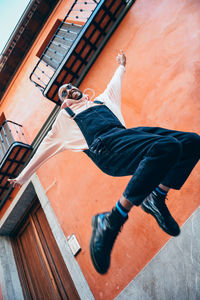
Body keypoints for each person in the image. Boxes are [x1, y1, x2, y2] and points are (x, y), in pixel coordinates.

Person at [8, 51, 200, 275]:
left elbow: (115, 81)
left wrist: (121, 65)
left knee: (191, 142)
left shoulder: (103, 100)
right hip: (107, 151)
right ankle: (112, 220)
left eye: (70, 86)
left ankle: (156, 197)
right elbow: (43, 150)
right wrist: (22, 177)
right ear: (63, 102)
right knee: (169, 147)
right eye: (64, 92)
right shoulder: (65, 119)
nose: (69, 89)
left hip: (128, 137)